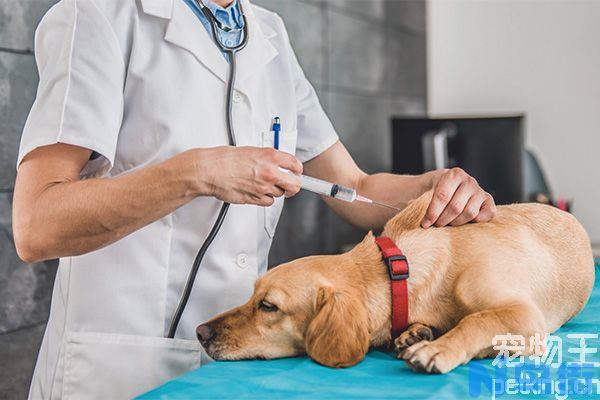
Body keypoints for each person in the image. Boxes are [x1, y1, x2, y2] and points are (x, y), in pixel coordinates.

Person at [12, 0, 496, 398]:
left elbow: (357, 188)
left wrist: (433, 188)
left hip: (239, 367)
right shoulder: (96, 15)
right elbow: (36, 225)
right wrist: (196, 173)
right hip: (119, 371)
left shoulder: (268, 35)